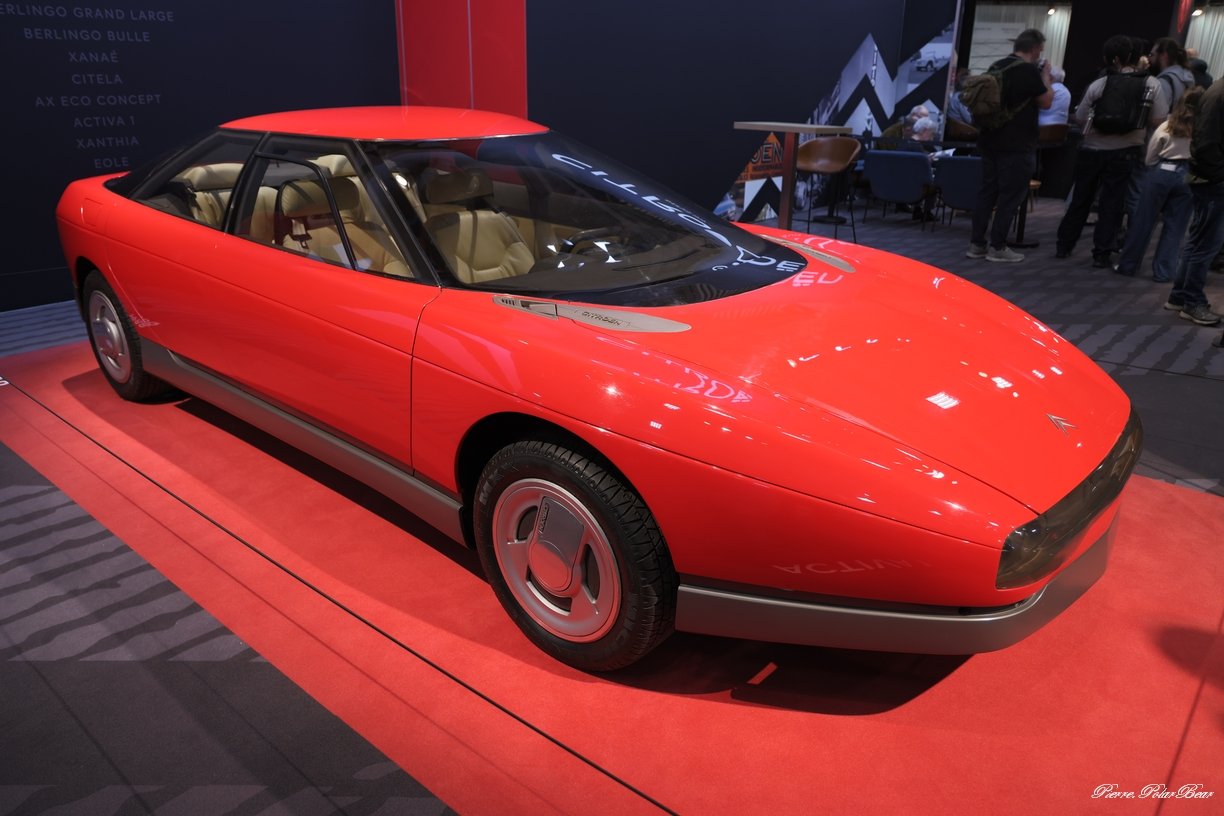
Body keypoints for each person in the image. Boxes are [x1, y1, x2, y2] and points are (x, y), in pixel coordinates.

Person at [1054, 35, 1168, 268]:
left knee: (1081, 199)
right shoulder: (1150, 84)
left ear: (1111, 58)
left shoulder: (1100, 84)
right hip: (1126, 151)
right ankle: (1101, 253)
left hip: (1092, 149)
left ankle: (1064, 245)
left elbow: (1081, 117)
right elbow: (1159, 119)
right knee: (1112, 203)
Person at [966, 28, 1053, 263]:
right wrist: (1046, 76)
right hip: (1017, 144)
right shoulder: (1028, 71)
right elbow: (1046, 101)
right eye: (1040, 50)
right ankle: (998, 246)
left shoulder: (997, 66)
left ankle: (977, 244)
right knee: (1010, 196)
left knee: (987, 193)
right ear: (1034, 48)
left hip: (989, 140)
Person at [1115, 87, 1204, 281]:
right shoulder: (1203, 129)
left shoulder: (1167, 125)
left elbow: (1150, 156)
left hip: (1162, 171)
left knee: (1143, 221)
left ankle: (1127, 265)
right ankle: (1164, 272)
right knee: (1176, 226)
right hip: (1188, 175)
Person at [1165, 77, 1224, 326]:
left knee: (1198, 242)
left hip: (1208, 179)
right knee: (1206, 245)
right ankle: (1192, 301)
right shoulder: (1219, 94)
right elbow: (1207, 143)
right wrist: (1220, 177)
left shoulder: (1217, 91)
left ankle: (1180, 297)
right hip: (1212, 181)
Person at [1150, 38, 1196, 111]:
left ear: (1164, 55)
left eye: (1152, 55)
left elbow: (1158, 115)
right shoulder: (1187, 75)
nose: (1149, 59)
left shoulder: (1163, 81)